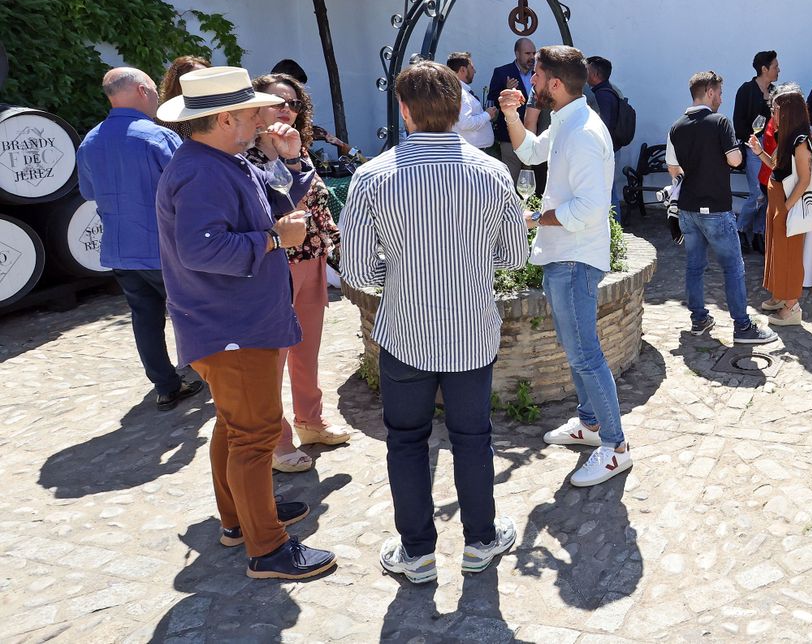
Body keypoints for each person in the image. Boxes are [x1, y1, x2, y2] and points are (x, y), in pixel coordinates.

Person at [341, 61, 528, 584]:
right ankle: (480, 541)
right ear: (459, 107)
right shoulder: (492, 174)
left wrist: (400, 270)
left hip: (406, 332)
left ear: (404, 109)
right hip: (470, 331)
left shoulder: (373, 177)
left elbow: (355, 269)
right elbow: (514, 257)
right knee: (473, 438)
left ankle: (418, 552)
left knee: (405, 440)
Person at [154, 66, 335, 580]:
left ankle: (241, 520)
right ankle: (268, 549)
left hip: (230, 323)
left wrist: (295, 159)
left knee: (236, 430)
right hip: (232, 326)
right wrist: (275, 240)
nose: (266, 114)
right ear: (228, 117)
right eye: (255, 108)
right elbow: (201, 248)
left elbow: (274, 201)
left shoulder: (219, 160)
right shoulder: (203, 171)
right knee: (254, 438)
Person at [501, 45, 632, 486]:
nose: (530, 83)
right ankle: (590, 424)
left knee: (586, 354)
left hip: (576, 257)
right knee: (576, 348)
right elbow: (532, 152)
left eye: (536, 76)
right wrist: (511, 115)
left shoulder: (582, 134)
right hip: (565, 253)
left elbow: (591, 209)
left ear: (555, 83)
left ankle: (616, 447)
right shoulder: (566, 122)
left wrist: (536, 217)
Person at [77, 68, 205, 411]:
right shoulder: (157, 137)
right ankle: (212, 374)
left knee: (144, 318)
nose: (157, 96)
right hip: (164, 248)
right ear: (140, 90)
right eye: (153, 90)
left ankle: (166, 386)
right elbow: (190, 191)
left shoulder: (90, 140)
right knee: (194, 313)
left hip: (120, 250)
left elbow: (89, 192)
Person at [244, 73, 352, 473]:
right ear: (255, 109)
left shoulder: (298, 148)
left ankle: (311, 419)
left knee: (306, 347)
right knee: (275, 354)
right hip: (276, 264)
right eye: (277, 102)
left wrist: (334, 245)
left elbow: (318, 205)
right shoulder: (249, 157)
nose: (286, 109)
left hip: (311, 258)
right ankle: (278, 438)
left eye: (292, 103)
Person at [667, 71, 781, 345]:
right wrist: (738, 153)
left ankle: (699, 319)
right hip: (716, 207)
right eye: (719, 92)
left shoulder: (676, 126)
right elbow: (733, 160)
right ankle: (742, 327)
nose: (721, 97)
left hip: (687, 209)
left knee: (694, 266)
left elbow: (673, 169)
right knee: (733, 267)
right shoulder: (720, 122)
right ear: (708, 92)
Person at [749, 89, 812, 327]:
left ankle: (792, 306)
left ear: (787, 111)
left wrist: (786, 207)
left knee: (790, 255)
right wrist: (759, 152)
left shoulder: (800, 140)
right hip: (777, 200)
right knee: (776, 250)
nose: (772, 113)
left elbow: (804, 179)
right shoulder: (786, 135)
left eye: (775, 109)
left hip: (788, 203)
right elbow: (775, 165)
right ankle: (779, 295)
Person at [732, 51, 779, 253]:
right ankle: (740, 229)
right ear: (764, 69)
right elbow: (739, 121)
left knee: (768, 192)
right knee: (757, 193)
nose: (779, 70)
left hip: (771, 146)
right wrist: (749, 141)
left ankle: (759, 233)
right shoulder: (746, 90)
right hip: (753, 145)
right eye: (775, 66)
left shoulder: (776, 92)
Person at [488, 37, 541, 179]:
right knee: (511, 177)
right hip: (510, 137)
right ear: (517, 54)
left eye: (533, 53)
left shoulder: (540, 75)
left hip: (536, 136)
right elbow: (491, 101)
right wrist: (506, 91)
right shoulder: (502, 72)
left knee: (531, 178)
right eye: (527, 53)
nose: (532, 57)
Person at [586, 56, 627, 216]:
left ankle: (614, 230)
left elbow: (603, 125)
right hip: (611, 149)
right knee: (609, 190)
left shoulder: (602, 95)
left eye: (587, 69)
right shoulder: (609, 91)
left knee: (608, 192)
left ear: (595, 74)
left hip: (605, 151)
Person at [446, 51, 495, 151]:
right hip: (471, 152)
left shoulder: (456, 91)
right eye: (472, 68)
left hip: (470, 150)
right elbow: (465, 123)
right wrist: (487, 115)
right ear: (463, 70)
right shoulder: (460, 93)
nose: (475, 71)